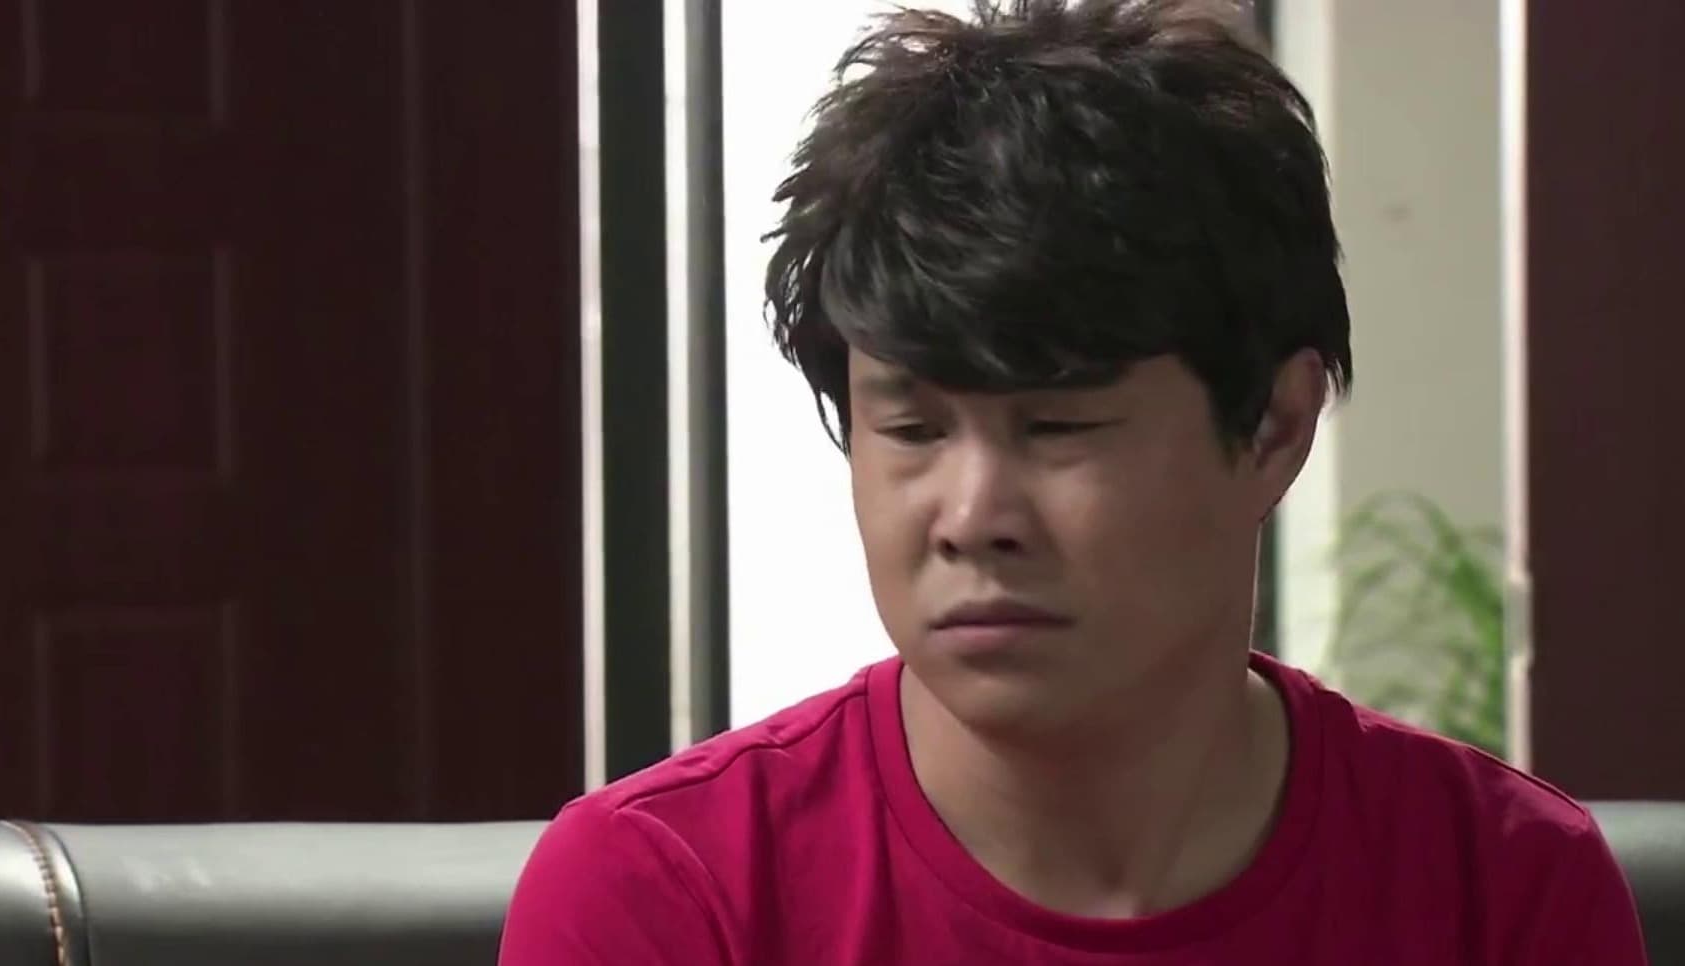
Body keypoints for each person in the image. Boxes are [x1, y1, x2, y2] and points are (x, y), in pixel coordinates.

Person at [499, 1, 1647, 962]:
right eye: (910, 428)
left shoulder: (1500, 890)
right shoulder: (671, 894)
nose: (969, 518)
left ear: (1272, 426)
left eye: (1056, 427)